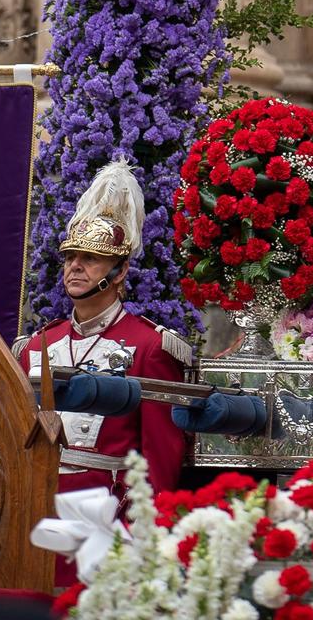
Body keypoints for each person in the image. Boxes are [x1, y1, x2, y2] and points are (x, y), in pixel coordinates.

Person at [17, 162, 188, 516]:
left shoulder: (151, 346)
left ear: (120, 269)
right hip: (31, 511)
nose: (75, 267)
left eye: (91, 259)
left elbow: (160, 457)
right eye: (70, 258)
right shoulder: (36, 346)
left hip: (105, 520)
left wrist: (135, 529)